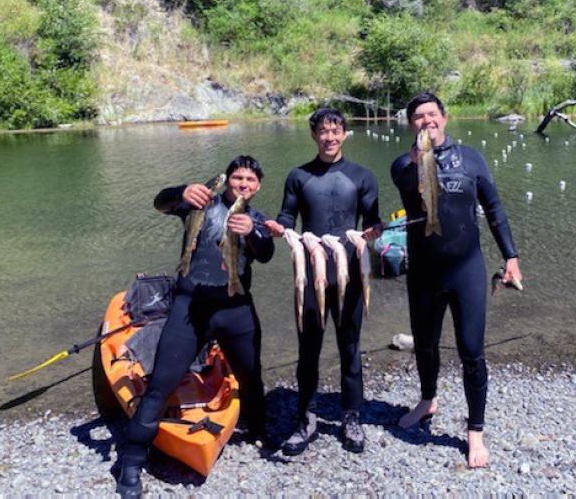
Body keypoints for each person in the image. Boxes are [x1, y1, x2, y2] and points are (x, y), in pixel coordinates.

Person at [114, 155, 274, 497]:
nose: (243, 184)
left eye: (250, 180)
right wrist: (181, 191)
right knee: (160, 384)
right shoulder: (199, 204)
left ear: (258, 186)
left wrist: (255, 234)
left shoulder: (256, 218)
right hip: (190, 308)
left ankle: (257, 428)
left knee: (251, 375)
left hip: (236, 311)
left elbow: (266, 254)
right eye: (237, 178)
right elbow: (160, 203)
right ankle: (130, 461)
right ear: (228, 180)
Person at [390, 92, 523, 468]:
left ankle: (475, 431)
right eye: (418, 116)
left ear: (445, 119)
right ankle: (427, 399)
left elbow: (494, 208)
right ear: (410, 124)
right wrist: (418, 163)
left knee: (471, 352)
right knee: (426, 346)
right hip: (424, 273)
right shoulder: (403, 164)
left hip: (466, 269)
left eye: (432, 114)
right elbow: (404, 183)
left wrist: (510, 256)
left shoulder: (472, 158)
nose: (426, 121)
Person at [264, 107, 381, 455]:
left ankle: (352, 417)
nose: (329, 137)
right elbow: (288, 215)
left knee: (350, 347)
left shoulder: (362, 176)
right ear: (314, 136)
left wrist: (376, 230)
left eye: (335, 131)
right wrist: (279, 227)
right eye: (323, 132)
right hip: (311, 272)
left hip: (350, 271)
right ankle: (306, 419)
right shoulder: (298, 176)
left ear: (344, 134)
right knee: (308, 349)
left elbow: (373, 220)